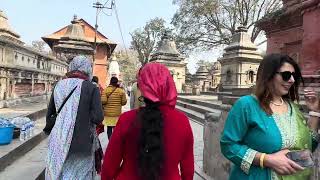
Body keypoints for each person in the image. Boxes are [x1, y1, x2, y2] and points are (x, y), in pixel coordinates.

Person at [220, 54, 320, 180]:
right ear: (269, 76)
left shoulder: (293, 108)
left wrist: (315, 112)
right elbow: (228, 145)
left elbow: (307, 147)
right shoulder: (247, 105)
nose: (292, 80)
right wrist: (266, 160)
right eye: (286, 75)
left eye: (294, 76)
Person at [101, 62, 194, 180]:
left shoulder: (127, 119)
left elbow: (109, 165)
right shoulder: (182, 122)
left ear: (142, 87)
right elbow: (188, 169)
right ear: (170, 85)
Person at [43, 56, 104, 180]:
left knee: (62, 174)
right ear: (87, 68)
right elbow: (98, 117)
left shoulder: (58, 85)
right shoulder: (91, 87)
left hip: (59, 140)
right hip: (81, 143)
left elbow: (50, 115)